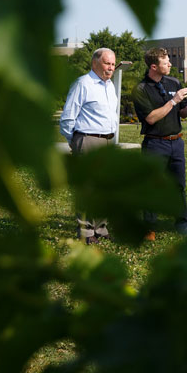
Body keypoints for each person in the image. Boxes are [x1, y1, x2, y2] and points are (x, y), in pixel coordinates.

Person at [132, 47, 187, 240]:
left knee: (179, 186)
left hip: (176, 143)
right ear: (153, 66)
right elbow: (151, 118)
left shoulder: (174, 82)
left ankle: (182, 223)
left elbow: (182, 113)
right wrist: (174, 101)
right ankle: (149, 227)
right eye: (166, 61)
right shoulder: (141, 89)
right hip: (154, 144)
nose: (170, 63)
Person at [59, 47, 119, 244]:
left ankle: (101, 227)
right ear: (95, 63)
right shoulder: (83, 84)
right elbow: (68, 118)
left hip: (108, 140)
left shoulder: (109, 85)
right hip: (88, 139)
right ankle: (85, 231)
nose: (110, 68)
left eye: (112, 64)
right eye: (106, 63)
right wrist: (76, 142)